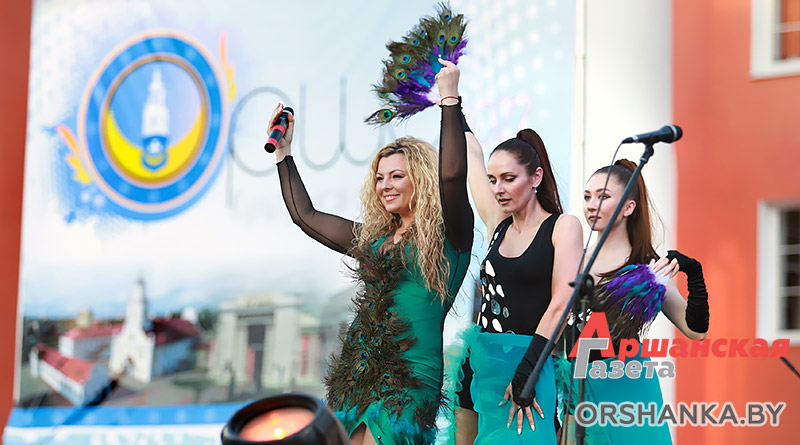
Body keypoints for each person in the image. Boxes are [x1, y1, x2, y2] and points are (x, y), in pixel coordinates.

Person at [267, 67, 473, 445]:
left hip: (409, 381)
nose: (384, 186)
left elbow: (452, 177)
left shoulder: (451, 237)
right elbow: (305, 216)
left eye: (396, 176)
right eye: (379, 177)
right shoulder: (375, 240)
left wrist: (449, 99)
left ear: (421, 179)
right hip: (357, 374)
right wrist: (284, 153)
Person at [436, 67, 583, 444]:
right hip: (480, 362)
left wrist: (528, 373)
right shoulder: (498, 222)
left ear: (535, 178)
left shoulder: (563, 227)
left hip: (530, 363)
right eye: (493, 180)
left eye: (509, 178)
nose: (498, 188)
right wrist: (451, 99)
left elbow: (561, 304)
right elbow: (471, 153)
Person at [554, 159, 710, 444]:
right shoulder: (571, 259)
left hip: (628, 389)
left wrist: (695, 273)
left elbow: (695, 330)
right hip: (578, 388)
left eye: (603, 196)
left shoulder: (649, 268)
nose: (591, 205)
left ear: (629, 207)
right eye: (587, 197)